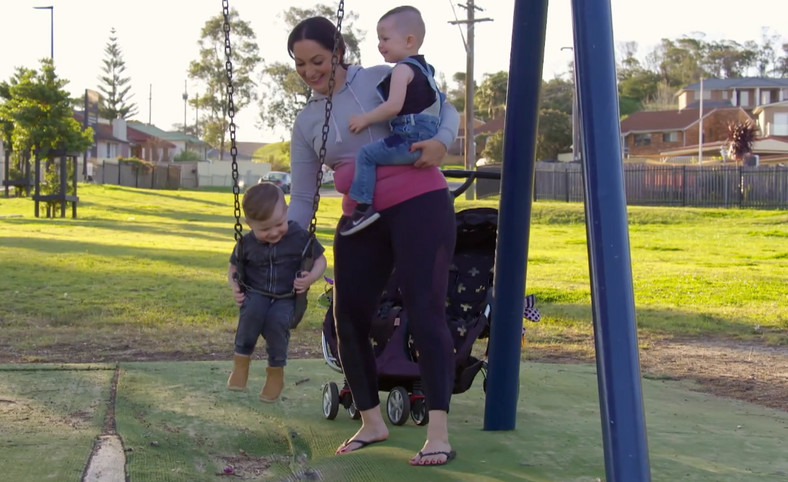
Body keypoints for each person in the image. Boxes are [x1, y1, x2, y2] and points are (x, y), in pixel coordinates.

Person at [287, 13, 459, 466]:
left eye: (318, 60)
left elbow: (447, 107)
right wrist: (285, 246)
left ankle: (437, 433)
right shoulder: (306, 123)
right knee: (348, 316)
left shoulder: (381, 79)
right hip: (361, 218)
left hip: (419, 201)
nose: (310, 72)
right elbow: (303, 196)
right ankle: (371, 421)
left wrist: (443, 142)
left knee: (425, 309)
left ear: (338, 52)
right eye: (300, 64)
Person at [341, 6, 443, 236]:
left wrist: (364, 119)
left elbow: (393, 106)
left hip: (409, 137)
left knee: (366, 154)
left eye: (385, 38)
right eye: (379, 39)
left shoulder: (402, 70)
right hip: (427, 136)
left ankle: (362, 208)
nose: (380, 44)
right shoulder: (427, 71)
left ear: (409, 41)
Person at [226, 182, 327, 403]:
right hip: (256, 293)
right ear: (249, 224)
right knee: (251, 314)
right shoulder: (247, 244)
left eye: (279, 224)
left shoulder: (299, 237)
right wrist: (235, 287)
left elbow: (320, 260)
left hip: (287, 297)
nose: (273, 233)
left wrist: (310, 278)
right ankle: (241, 364)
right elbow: (234, 267)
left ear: (286, 212)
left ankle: (275, 373)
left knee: (276, 323)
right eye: (264, 229)